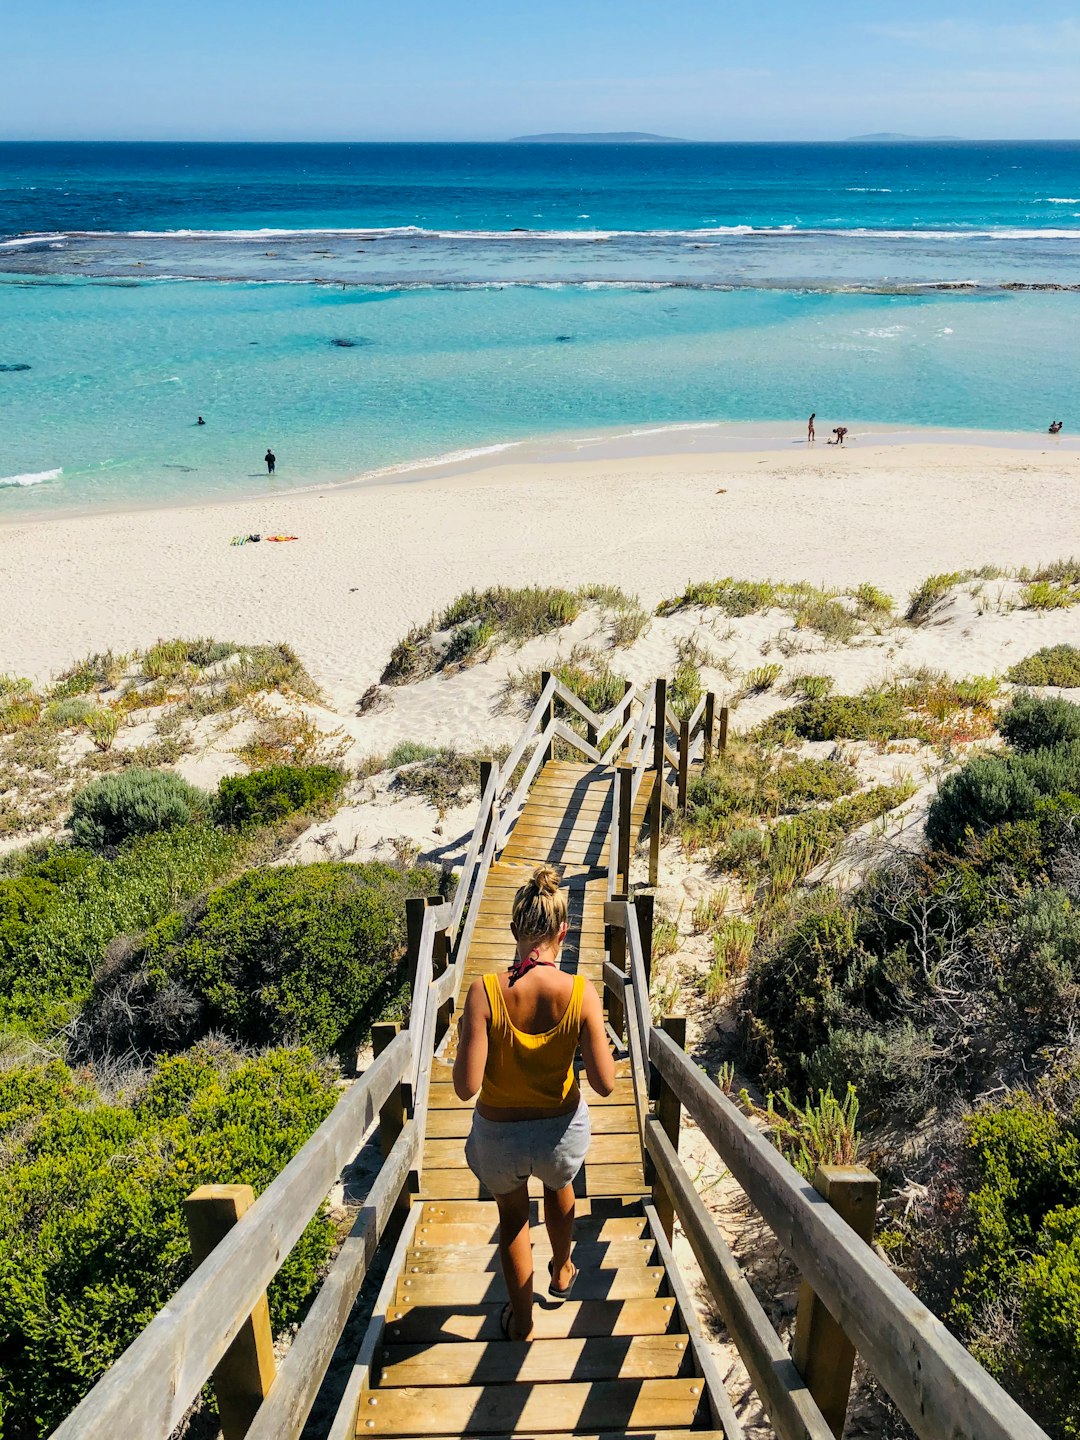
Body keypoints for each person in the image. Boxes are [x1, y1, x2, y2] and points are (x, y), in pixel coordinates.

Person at [453, 865, 616, 1341]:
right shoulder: (581, 993)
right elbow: (604, 1083)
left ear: (513, 930)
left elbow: (465, 1087)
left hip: (499, 1136)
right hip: (558, 1131)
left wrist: (473, 1033)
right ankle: (563, 1270)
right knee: (560, 1183)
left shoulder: (484, 992)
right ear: (563, 931)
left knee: (512, 1219)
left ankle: (522, 1322)